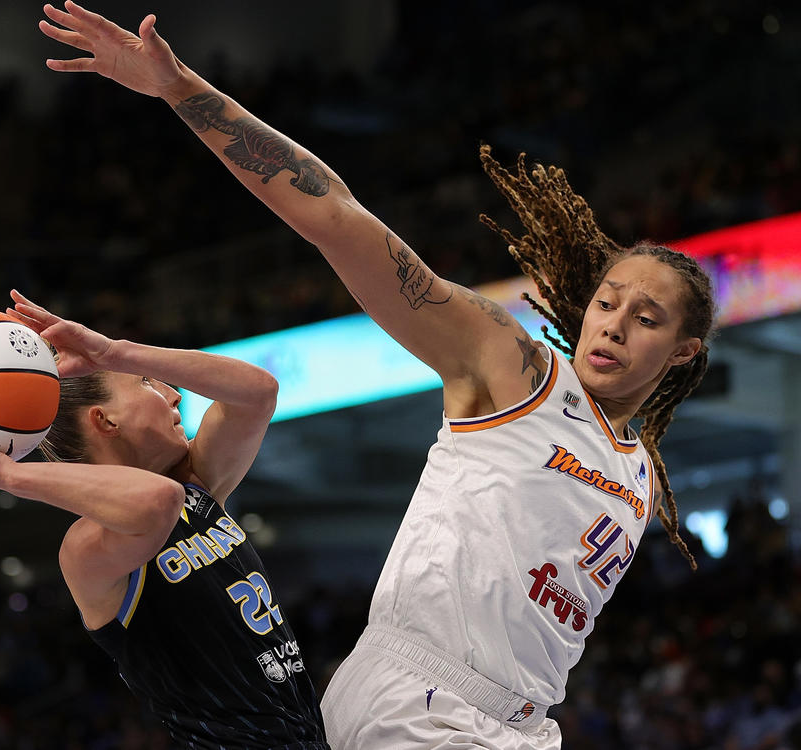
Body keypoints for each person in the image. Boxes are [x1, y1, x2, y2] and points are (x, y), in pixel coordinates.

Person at [37, 3, 717, 748]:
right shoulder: (515, 369)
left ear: (683, 351)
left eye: (646, 319)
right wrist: (180, 88)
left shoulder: (639, 469)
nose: (614, 323)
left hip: (522, 725)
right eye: (607, 302)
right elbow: (337, 216)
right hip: (420, 701)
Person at [0, 289, 329, 749]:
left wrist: (113, 352)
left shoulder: (195, 483)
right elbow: (155, 503)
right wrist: (8, 475)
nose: (174, 394)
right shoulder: (87, 548)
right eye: (148, 383)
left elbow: (258, 392)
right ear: (105, 420)